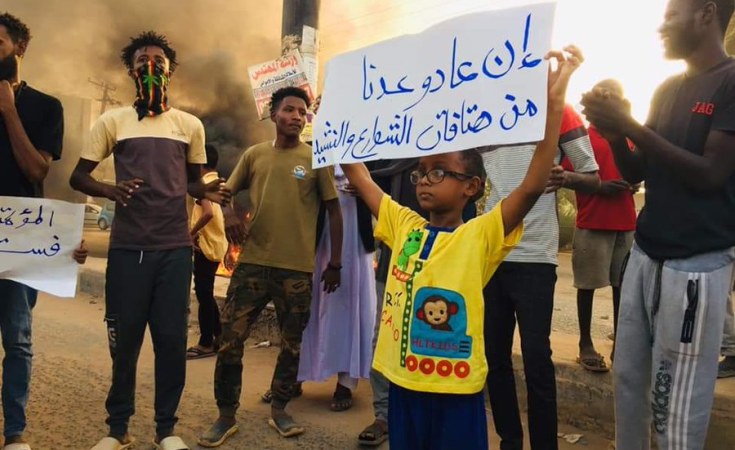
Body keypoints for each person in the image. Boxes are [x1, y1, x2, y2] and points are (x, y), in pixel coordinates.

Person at [340, 46, 582, 450]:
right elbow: (360, 176)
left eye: (439, 172)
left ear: (471, 187)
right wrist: (335, 120)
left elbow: (531, 186)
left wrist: (554, 104)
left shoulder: (481, 235)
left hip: (456, 392)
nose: (424, 180)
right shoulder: (403, 225)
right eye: (420, 173)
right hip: (402, 384)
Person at [581, 0, 735, 448]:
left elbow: (710, 173)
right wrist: (616, 136)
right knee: (629, 380)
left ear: (706, 14)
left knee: (676, 400)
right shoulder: (668, 88)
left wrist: (629, 124)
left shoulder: (730, 81)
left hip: (696, 264)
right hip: (646, 255)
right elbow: (636, 171)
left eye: (671, 15)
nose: (661, 26)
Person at [70, 31, 228, 450]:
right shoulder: (113, 121)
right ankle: (117, 429)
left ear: (170, 71)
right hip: (127, 248)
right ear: (131, 69)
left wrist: (207, 192)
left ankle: (166, 430)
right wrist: (109, 190)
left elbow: (191, 183)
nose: (151, 66)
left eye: (159, 61)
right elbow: (78, 176)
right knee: (124, 342)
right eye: (142, 60)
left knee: (171, 342)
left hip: (174, 249)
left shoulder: (189, 125)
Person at [198, 86, 342, 447]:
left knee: (291, 345)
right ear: (274, 114)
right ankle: (225, 415)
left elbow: (334, 211)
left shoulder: (316, 159)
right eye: (289, 110)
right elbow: (224, 192)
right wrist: (230, 214)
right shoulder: (255, 154)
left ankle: (280, 408)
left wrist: (335, 263)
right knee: (230, 341)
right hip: (252, 265)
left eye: (302, 112)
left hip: (297, 270)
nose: (297, 117)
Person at [482, 102, 599, 449]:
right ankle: (510, 441)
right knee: (494, 356)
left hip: (536, 256)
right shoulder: (482, 109)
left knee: (536, 357)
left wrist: (567, 178)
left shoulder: (560, 111)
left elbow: (592, 177)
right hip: (491, 251)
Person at [0, 12, 64, 450]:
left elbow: (37, 170)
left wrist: (8, 110)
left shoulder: (45, 106)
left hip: (21, 235)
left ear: (20, 47)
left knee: (18, 339)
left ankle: (14, 432)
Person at [561, 78, 637, 372]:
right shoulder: (582, 139)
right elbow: (566, 175)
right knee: (587, 285)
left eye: (616, 97)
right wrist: (600, 186)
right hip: (593, 221)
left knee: (623, 288)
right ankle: (585, 343)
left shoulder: (628, 137)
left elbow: (636, 170)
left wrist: (633, 182)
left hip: (625, 223)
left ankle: (622, 344)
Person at [296, 164, 377, 412]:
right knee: (306, 305)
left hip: (355, 238)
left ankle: (346, 382)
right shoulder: (311, 152)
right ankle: (294, 375)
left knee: (351, 305)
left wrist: (367, 187)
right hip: (317, 235)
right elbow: (297, 181)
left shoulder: (370, 153)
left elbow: (385, 191)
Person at [187, 144, 229, 360]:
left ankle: (206, 343)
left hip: (206, 246)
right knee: (206, 292)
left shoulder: (204, 184)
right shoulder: (219, 181)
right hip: (216, 244)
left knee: (203, 294)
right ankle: (219, 336)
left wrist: (190, 233)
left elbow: (208, 213)